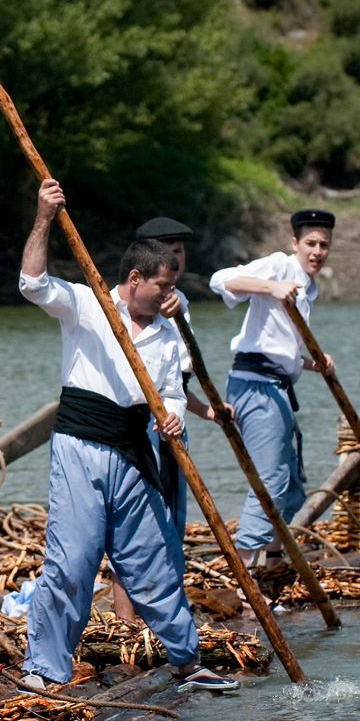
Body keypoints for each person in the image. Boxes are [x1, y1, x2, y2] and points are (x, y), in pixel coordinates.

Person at [18, 179, 238, 693]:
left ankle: (188, 662)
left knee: (153, 564)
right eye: (164, 286)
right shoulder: (86, 304)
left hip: (134, 453)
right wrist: (44, 216)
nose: (171, 295)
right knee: (72, 561)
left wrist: (176, 417)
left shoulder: (168, 331)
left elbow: (171, 392)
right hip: (80, 448)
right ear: (135, 278)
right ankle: (44, 669)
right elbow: (31, 284)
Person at [107, 217, 230, 621]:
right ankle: (128, 620)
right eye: (168, 251)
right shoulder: (127, 309)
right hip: (136, 427)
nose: (175, 259)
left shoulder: (178, 305)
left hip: (170, 424)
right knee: (131, 526)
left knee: (168, 525)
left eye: (180, 251)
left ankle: (161, 613)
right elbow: (143, 384)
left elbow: (174, 382)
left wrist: (206, 412)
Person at [209, 208, 336, 570]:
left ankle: (274, 562)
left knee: (292, 485)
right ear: (295, 243)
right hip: (254, 387)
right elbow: (222, 280)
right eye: (310, 243)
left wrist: (315, 364)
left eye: (324, 245)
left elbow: (281, 350)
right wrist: (271, 287)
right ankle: (246, 576)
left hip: (277, 387)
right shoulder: (280, 267)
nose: (317, 251)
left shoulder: (308, 287)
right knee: (270, 481)